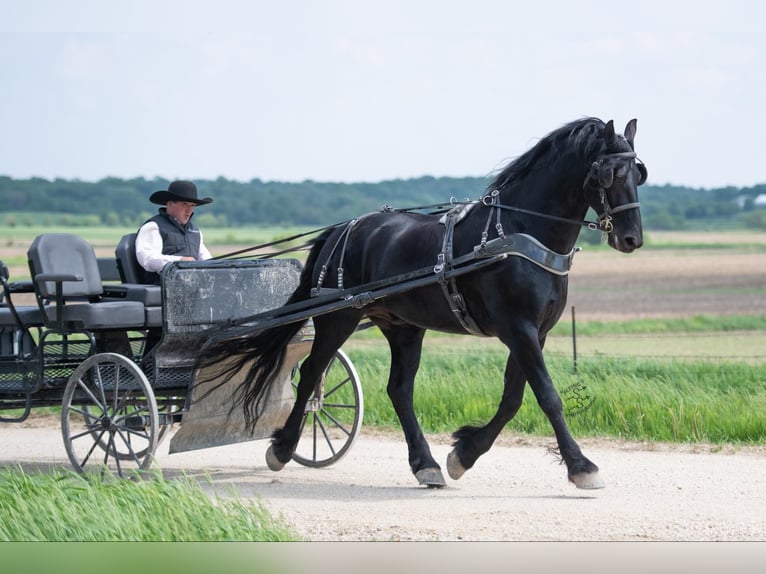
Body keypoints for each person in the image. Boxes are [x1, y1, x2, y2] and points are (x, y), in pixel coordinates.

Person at [135, 180, 214, 284]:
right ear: (170, 204)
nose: (189, 210)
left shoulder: (195, 231)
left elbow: (206, 260)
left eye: (192, 205)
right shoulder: (153, 227)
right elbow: (148, 260)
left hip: (193, 288)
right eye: (185, 204)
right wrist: (179, 260)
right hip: (162, 288)